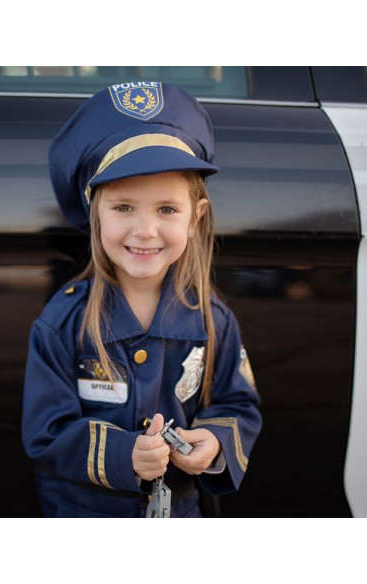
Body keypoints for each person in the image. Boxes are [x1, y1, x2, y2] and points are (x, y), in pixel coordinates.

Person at [22, 81, 262, 518]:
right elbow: (45, 431)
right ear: (94, 212)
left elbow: (238, 405)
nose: (145, 230)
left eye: (167, 209)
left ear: (197, 218)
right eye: (124, 207)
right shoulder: (63, 321)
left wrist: (214, 442)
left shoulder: (213, 321)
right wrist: (123, 455)